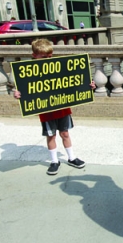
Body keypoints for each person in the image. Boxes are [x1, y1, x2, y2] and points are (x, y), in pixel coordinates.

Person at [13, 38, 96, 176]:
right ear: (34, 56)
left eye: (50, 56)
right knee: (51, 136)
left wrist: (89, 86)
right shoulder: (27, 71)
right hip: (46, 111)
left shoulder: (59, 67)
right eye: (44, 57)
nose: (47, 59)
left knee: (65, 133)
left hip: (62, 107)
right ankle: (54, 161)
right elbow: (24, 89)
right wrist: (17, 94)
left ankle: (71, 157)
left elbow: (74, 81)